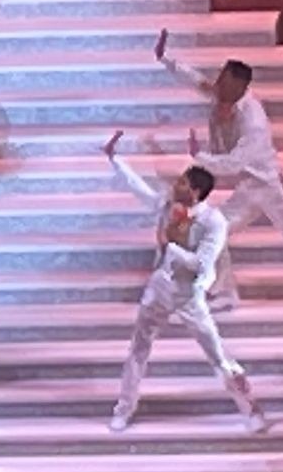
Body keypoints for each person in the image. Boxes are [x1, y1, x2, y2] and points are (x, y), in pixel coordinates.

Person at [156, 31, 283, 314]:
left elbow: (233, 163)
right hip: (247, 188)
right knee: (215, 230)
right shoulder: (221, 95)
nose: (218, 86)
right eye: (220, 80)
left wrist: (199, 156)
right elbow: (196, 80)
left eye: (225, 83)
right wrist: (165, 59)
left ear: (241, 88)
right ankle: (226, 292)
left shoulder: (253, 120)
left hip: (271, 187)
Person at [104, 130, 271, 434]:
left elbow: (202, 264)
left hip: (189, 295)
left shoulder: (212, 222)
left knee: (219, 356)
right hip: (159, 289)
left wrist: (171, 246)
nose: (175, 185)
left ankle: (250, 409)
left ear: (195, 192)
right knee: (138, 350)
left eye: (181, 183)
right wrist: (115, 159)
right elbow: (139, 188)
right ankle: (124, 409)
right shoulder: (167, 205)